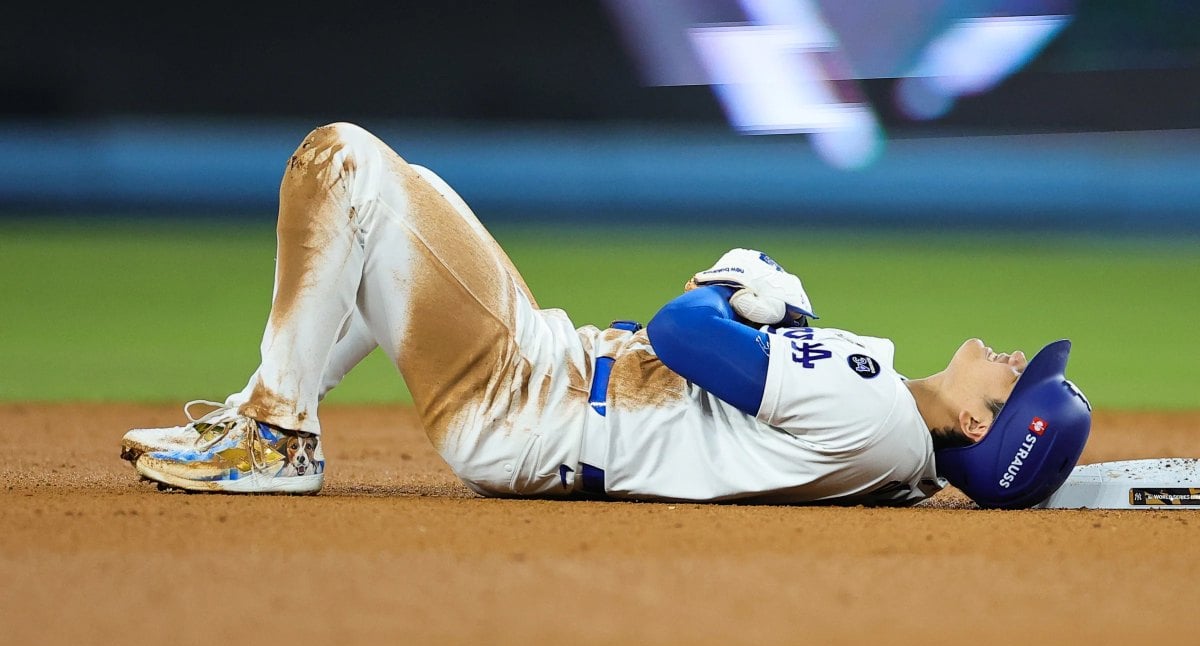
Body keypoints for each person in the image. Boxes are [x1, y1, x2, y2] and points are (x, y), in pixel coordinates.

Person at [120, 122, 1092, 509]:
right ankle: (268, 408)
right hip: (554, 391)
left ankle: (279, 433)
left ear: (976, 425)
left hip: (531, 401)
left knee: (342, 160)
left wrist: (729, 281)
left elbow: (682, 334)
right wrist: (772, 313)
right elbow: (731, 390)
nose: (1010, 356)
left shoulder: (881, 410)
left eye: (1017, 378)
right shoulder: (894, 457)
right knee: (396, 197)